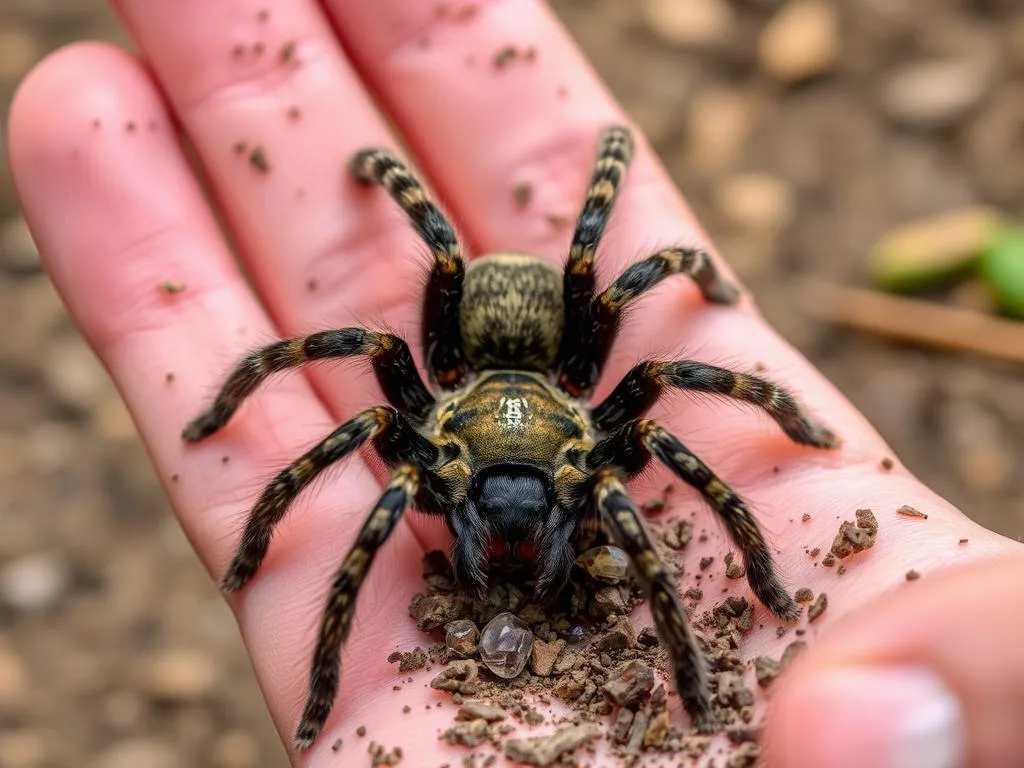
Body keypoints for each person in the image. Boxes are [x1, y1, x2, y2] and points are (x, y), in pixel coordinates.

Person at [8, 2, 1022, 766]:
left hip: (536, 374)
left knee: (623, 299)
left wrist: (758, 562)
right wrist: (256, 508)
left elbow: (650, 295)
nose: (510, 515)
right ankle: (322, 681)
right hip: (476, 374)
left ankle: (703, 684)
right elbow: (337, 424)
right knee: (410, 302)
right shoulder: (414, 432)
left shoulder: (602, 442)